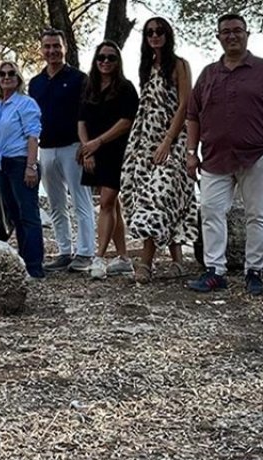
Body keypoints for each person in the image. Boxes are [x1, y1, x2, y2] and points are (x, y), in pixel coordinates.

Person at [186, 13, 263, 295]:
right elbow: (193, 114)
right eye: (226, 31)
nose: (232, 35)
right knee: (210, 212)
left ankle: (254, 272)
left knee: (257, 215)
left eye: (237, 30)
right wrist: (191, 152)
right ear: (218, 37)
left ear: (247, 34)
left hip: (255, 157)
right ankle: (215, 271)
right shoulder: (208, 74)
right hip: (214, 158)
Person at [121, 17, 199, 284]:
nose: (155, 35)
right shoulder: (146, 67)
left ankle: (145, 262)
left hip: (173, 141)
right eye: (150, 32)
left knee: (161, 195)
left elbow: (185, 105)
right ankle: (178, 261)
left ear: (168, 34)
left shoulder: (179, 65)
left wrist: (168, 141)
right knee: (147, 195)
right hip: (144, 142)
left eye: (160, 31)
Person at [30, 28, 94, 273]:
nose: (52, 51)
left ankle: (85, 252)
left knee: (81, 202)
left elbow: (87, 114)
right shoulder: (35, 83)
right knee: (56, 204)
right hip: (46, 149)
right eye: (47, 46)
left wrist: (86, 146)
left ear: (64, 47)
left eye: (56, 46)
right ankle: (64, 251)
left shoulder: (79, 79)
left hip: (73, 148)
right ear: (41, 50)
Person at [76, 40, 138, 279]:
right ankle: (123, 258)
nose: (105, 62)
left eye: (111, 58)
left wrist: (98, 143)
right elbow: (81, 121)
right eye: (101, 57)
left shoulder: (125, 88)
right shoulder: (89, 87)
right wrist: (87, 149)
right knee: (112, 204)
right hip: (93, 151)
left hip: (117, 151)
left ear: (118, 61)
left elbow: (126, 121)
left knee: (106, 202)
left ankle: (99, 257)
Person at [0, 60, 46, 280]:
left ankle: (34, 266)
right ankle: (23, 260)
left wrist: (31, 166)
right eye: (2, 74)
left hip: (21, 163)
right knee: (13, 215)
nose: (6, 77)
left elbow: (33, 136)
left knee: (28, 215)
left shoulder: (25, 104)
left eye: (11, 73)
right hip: (2, 165)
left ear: (18, 78)